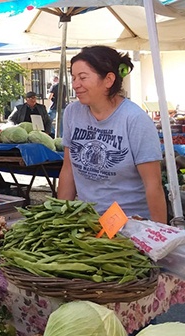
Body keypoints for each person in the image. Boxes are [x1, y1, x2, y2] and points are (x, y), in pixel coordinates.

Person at [57, 45, 166, 223]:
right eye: (74, 78)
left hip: (131, 224)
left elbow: (153, 184)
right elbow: (68, 170)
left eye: (83, 77)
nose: (76, 84)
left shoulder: (135, 119)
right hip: (87, 221)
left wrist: (160, 235)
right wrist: (60, 219)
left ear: (108, 80)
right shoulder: (72, 113)